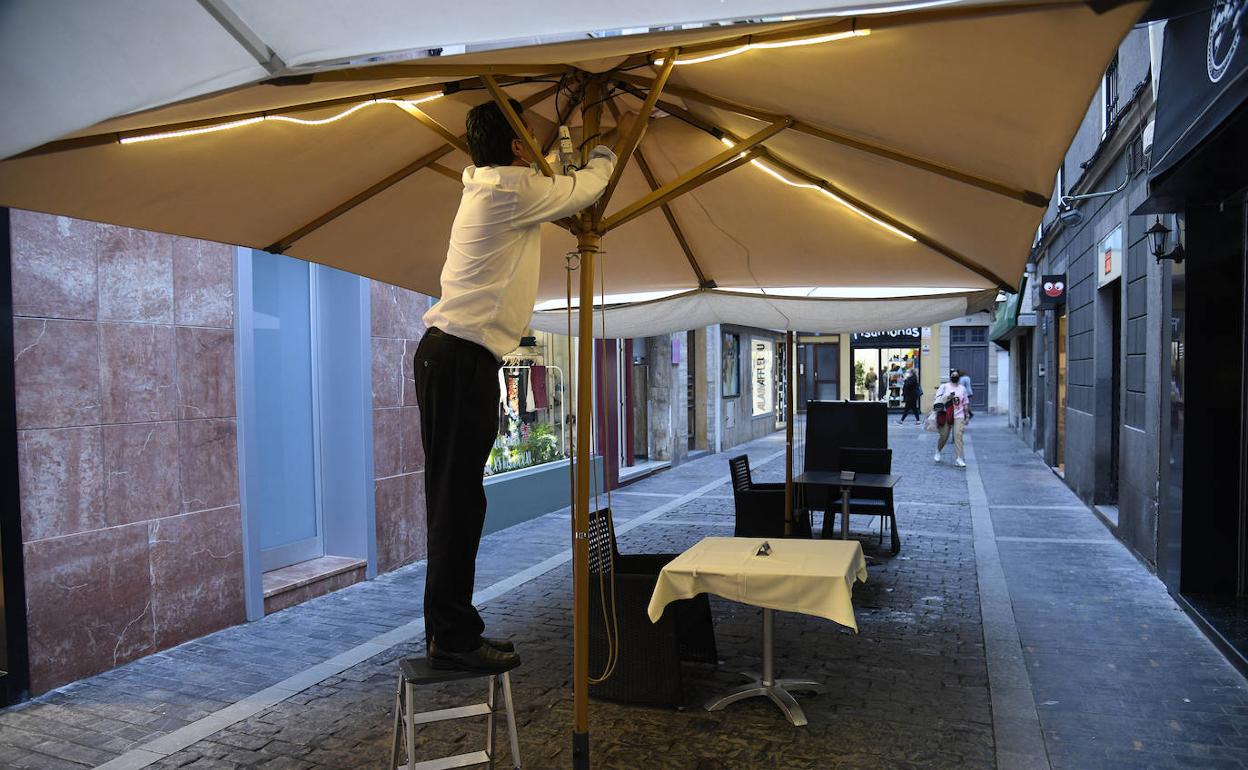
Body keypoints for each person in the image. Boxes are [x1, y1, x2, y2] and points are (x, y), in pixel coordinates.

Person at [415, 99, 637, 672]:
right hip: (460, 358)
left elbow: (560, 184)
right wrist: (611, 146)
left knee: (457, 501)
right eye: (530, 136)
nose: (536, 144)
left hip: (456, 358)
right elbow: (585, 185)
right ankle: (452, 639)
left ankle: (454, 629)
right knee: (456, 504)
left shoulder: (496, 186)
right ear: (516, 148)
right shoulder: (512, 190)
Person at [933, 368, 969, 467]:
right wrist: (948, 396)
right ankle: (938, 450)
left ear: (959, 377)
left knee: (958, 436)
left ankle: (959, 458)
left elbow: (965, 402)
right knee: (944, 436)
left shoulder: (962, 388)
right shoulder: (944, 387)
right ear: (950, 377)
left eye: (956, 375)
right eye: (952, 375)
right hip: (946, 414)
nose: (954, 377)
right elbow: (937, 399)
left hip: (959, 415)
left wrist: (967, 414)